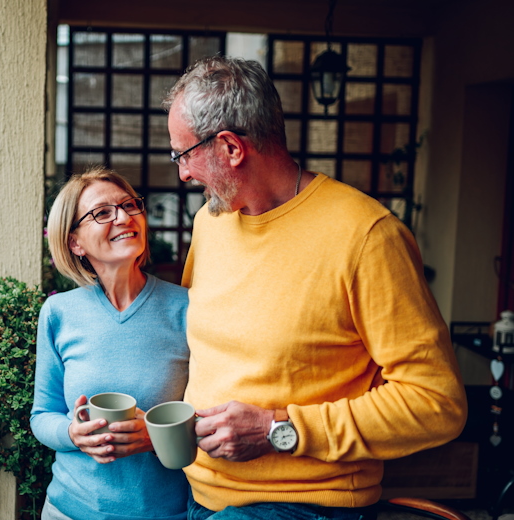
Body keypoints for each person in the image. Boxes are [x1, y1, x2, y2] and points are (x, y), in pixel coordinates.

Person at [163, 56, 468, 520]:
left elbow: (437, 402)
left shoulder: (368, 236)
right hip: (199, 496)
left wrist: (279, 428)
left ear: (230, 148)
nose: (182, 174)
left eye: (184, 154)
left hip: (306, 506)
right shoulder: (211, 223)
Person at [30, 167, 191, 520]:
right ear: (75, 242)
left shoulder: (188, 309)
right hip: (68, 511)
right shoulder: (59, 312)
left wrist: (157, 436)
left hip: (165, 513)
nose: (124, 217)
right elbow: (42, 415)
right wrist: (74, 433)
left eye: (130, 205)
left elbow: (209, 416)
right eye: (102, 213)